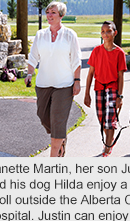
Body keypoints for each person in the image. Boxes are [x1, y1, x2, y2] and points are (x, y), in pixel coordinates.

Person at [25, 1, 81, 157]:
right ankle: (61, 137)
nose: (49, 15)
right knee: (43, 117)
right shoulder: (40, 34)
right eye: (48, 12)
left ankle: (54, 155)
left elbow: (76, 60)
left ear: (61, 16)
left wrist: (77, 81)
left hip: (64, 85)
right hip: (43, 84)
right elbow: (33, 57)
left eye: (53, 12)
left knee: (57, 120)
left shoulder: (70, 35)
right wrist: (29, 73)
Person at [84, 21, 127, 157]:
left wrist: (120, 96)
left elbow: (121, 76)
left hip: (113, 88)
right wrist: (87, 94)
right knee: (102, 118)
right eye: (103, 31)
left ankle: (107, 147)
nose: (105, 34)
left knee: (110, 119)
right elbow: (90, 73)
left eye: (108, 31)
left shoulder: (119, 53)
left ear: (115, 33)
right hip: (99, 88)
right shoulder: (96, 51)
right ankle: (110, 139)